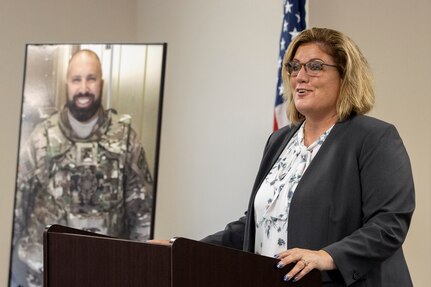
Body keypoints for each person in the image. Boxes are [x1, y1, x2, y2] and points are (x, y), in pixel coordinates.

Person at [201, 27, 415, 286]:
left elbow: (388, 224)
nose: (300, 76)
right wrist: (179, 247)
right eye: (294, 67)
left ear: (345, 76)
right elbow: (256, 224)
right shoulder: (279, 140)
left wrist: (327, 256)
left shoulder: (374, 138)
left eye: (315, 66)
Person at [11, 49, 154, 287]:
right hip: (43, 275)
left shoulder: (127, 140)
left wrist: (141, 270)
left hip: (106, 273)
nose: (84, 88)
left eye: (91, 78)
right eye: (76, 79)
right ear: (66, 83)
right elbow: (16, 210)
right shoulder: (40, 139)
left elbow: (143, 217)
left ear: (102, 83)